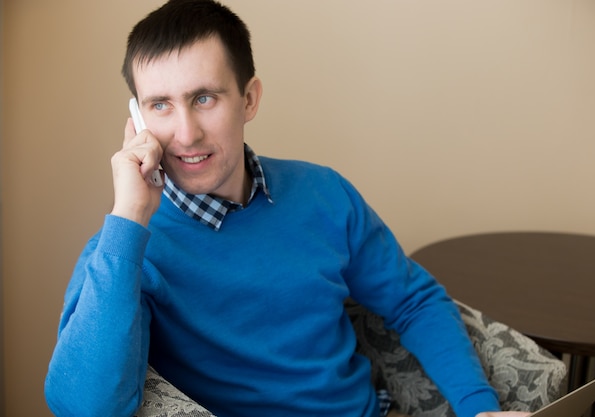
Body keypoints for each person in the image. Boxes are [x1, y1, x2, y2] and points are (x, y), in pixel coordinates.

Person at [44, 1, 529, 417]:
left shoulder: (324, 192)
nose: (186, 134)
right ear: (138, 119)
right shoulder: (125, 249)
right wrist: (128, 216)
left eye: (204, 97)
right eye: (161, 106)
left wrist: (478, 408)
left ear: (248, 98)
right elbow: (84, 408)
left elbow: (412, 300)